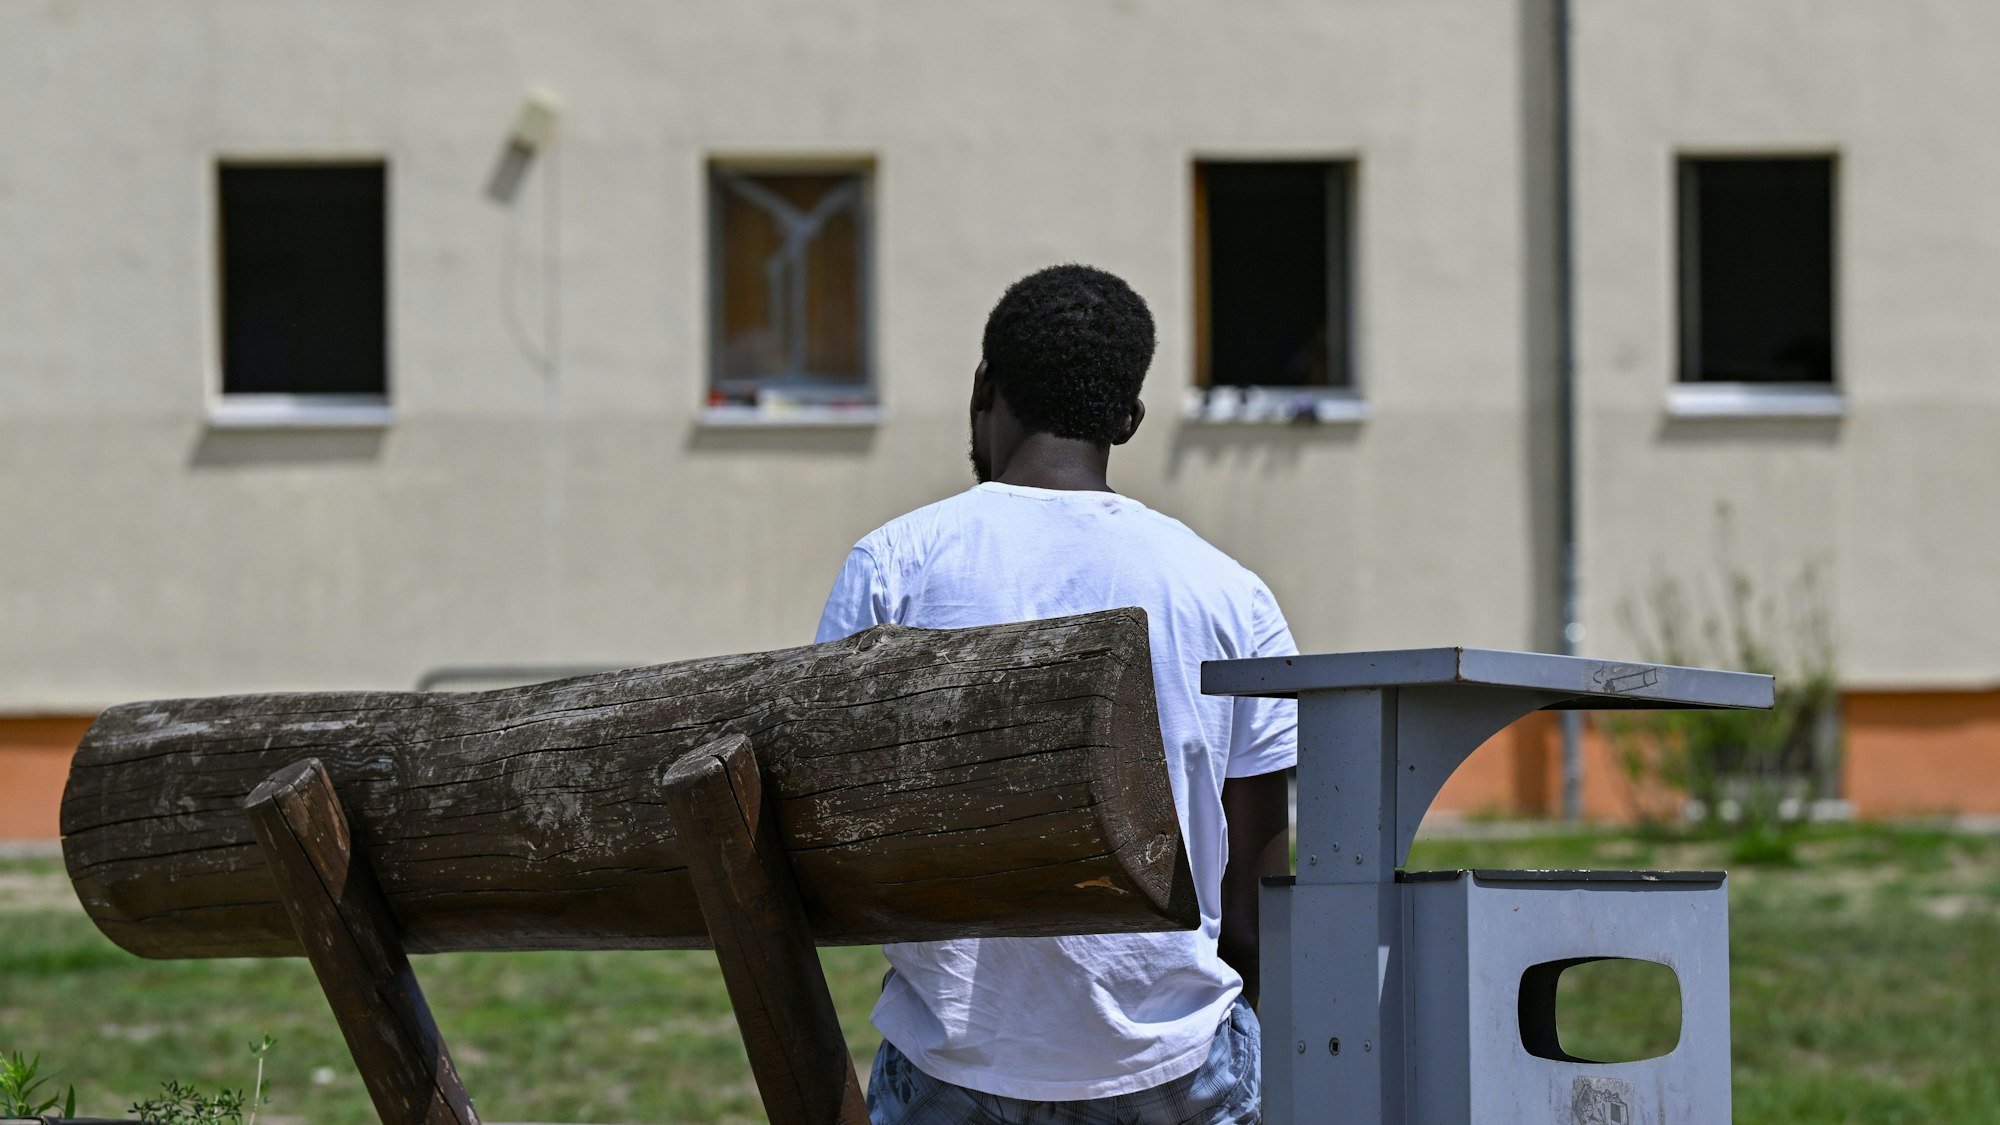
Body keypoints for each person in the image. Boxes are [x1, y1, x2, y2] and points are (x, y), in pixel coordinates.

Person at [815, 264, 1297, 1125]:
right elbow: (1255, 913)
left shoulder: (894, 568)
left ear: (983, 390)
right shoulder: (1230, 597)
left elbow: (830, 841)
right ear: (1130, 418)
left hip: (954, 1071)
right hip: (1171, 1070)